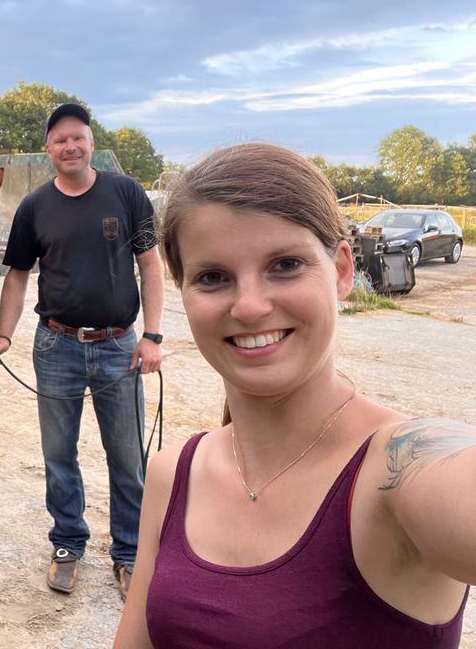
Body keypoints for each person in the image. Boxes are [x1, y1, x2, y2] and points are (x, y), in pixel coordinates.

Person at [113, 143, 475, 648]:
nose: (251, 306)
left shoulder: (398, 469)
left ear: (343, 271)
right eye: (213, 277)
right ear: (184, 292)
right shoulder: (172, 474)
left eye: (285, 264)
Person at [0, 103, 165, 600]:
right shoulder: (35, 207)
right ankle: (67, 543)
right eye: (60, 140)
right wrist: (4, 335)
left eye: (78, 138)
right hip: (56, 345)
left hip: (119, 347)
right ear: (49, 149)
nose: (70, 147)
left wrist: (152, 336)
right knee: (58, 454)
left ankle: (128, 553)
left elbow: (151, 265)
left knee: (127, 456)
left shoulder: (125, 193)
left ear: (90, 141)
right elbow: (17, 275)